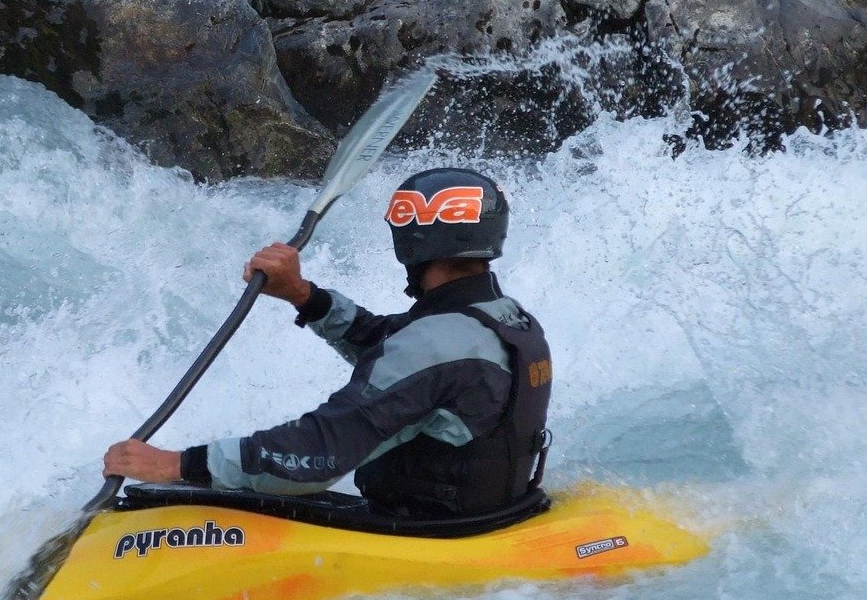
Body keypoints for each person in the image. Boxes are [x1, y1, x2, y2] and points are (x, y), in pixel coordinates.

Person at [103, 167, 553, 518]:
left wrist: (176, 465)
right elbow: (393, 348)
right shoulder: (504, 318)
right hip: (485, 512)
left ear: (413, 243)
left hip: (427, 528)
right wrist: (305, 296)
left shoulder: (437, 346)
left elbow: (318, 454)